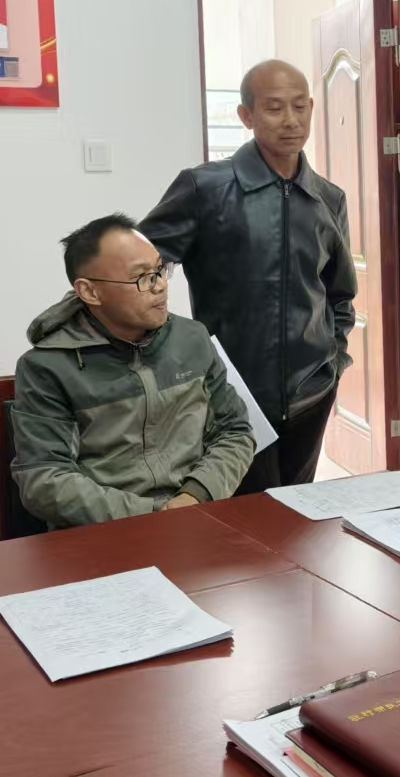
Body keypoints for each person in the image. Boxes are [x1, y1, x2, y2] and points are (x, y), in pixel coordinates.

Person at [141, 59, 355, 492]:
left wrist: (332, 364)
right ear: (246, 115)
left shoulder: (328, 198)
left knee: (299, 514)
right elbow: (137, 271)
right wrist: (170, 354)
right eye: (274, 108)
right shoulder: (204, 188)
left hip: (310, 395)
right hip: (228, 397)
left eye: (299, 106)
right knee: (242, 521)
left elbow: (339, 295)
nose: (290, 120)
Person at [10, 215, 255, 525]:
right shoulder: (48, 367)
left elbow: (235, 431)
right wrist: (154, 515)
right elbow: (44, 480)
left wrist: (194, 495)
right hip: (106, 531)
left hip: (195, 514)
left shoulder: (192, 339)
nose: (160, 286)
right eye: (142, 277)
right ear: (90, 292)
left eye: (160, 270)